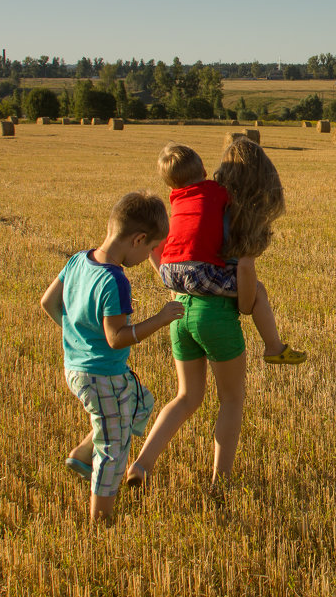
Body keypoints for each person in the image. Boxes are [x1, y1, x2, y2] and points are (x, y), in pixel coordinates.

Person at [126, 138, 302, 490]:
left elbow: (161, 251)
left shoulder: (186, 204)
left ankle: (141, 465)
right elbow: (245, 297)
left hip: (179, 311)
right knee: (232, 400)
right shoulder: (233, 216)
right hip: (215, 317)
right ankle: (220, 481)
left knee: (186, 397)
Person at [38, 191, 185, 522]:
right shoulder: (115, 280)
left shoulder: (78, 260)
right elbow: (116, 338)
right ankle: (100, 521)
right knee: (114, 448)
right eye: (150, 249)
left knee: (140, 401)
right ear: (138, 239)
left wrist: (77, 334)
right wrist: (160, 319)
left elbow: (48, 302)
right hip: (100, 374)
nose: (149, 255)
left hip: (77, 367)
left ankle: (81, 453)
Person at [152, 141, 305, 365]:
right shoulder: (226, 202)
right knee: (258, 290)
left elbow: (156, 249)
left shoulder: (182, 200)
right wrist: (246, 303)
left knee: (187, 397)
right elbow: (245, 268)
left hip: (175, 292)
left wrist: (175, 287)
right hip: (212, 307)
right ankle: (274, 346)